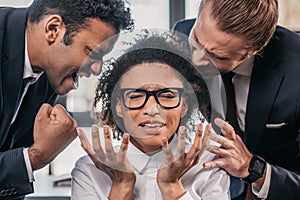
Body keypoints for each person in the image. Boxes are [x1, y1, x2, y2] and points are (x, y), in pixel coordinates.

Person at [0, 0, 133, 198]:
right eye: (92, 53)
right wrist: (35, 156)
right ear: (53, 29)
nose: (96, 69)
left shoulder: (48, 71)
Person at [71, 34, 230, 199]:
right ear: (118, 106)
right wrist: (122, 186)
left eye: (167, 96)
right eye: (135, 96)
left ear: (184, 106)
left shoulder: (209, 166)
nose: (152, 109)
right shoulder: (89, 170)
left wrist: (172, 187)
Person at [173, 0, 300, 199]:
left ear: (258, 48)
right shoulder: (180, 33)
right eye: (196, 40)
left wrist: (255, 169)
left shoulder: (296, 69)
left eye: (217, 56)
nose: (196, 61)